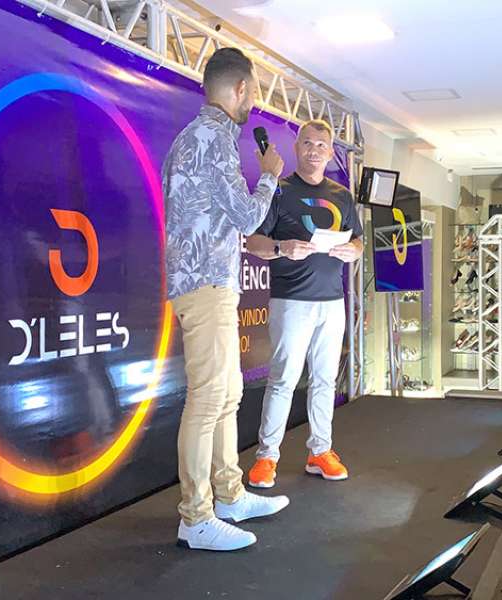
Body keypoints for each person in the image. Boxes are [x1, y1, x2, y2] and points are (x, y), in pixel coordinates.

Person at [163, 47, 289, 552]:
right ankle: (196, 517)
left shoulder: (188, 138)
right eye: (252, 92)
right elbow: (248, 216)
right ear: (240, 88)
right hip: (206, 285)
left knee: (227, 393)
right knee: (208, 398)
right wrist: (271, 174)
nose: (252, 101)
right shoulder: (214, 138)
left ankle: (230, 494)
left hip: (205, 282)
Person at [244, 119, 363, 489]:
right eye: (308, 143)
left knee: (325, 379)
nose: (314, 150)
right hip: (291, 300)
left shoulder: (341, 195)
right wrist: (282, 247)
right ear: (297, 148)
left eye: (321, 145)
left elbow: (359, 241)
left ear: (330, 152)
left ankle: (320, 451)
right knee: (283, 379)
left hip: (332, 302)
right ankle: (266, 456)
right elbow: (253, 242)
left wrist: (353, 250)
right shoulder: (279, 191)